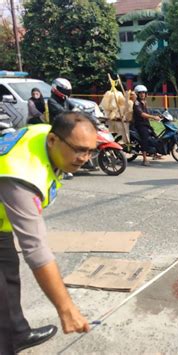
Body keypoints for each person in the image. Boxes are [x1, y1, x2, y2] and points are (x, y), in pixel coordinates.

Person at [0, 112, 96, 354]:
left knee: (8, 271)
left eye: (90, 151)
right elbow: (35, 249)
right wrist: (67, 308)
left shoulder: (46, 133)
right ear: (53, 141)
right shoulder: (22, 174)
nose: (85, 158)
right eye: (79, 150)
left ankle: (18, 333)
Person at [132, 85, 161, 166]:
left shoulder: (144, 102)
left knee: (154, 136)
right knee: (144, 139)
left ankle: (154, 154)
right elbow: (142, 114)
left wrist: (157, 116)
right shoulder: (136, 103)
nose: (142, 94)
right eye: (140, 93)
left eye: (144, 93)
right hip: (140, 125)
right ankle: (144, 159)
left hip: (146, 123)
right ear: (137, 94)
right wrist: (153, 117)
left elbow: (147, 113)